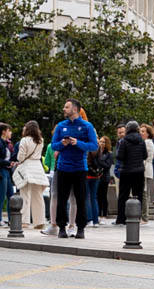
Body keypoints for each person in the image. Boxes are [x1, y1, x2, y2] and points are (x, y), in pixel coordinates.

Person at [49, 99, 98, 239]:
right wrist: (62, 143)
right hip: (63, 167)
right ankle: (61, 228)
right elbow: (53, 146)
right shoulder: (60, 126)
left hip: (80, 168)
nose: (64, 109)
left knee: (80, 199)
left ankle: (80, 228)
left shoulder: (87, 126)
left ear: (75, 109)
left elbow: (94, 146)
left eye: (67, 107)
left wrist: (78, 143)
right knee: (61, 199)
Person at [13, 120, 47, 230]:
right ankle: (39, 221)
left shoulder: (24, 140)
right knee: (38, 196)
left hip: (27, 168)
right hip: (38, 168)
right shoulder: (41, 140)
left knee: (25, 195)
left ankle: (25, 221)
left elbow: (20, 157)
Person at [113, 121, 147, 224]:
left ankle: (121, 219)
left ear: (127, 129)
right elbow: (145, 156)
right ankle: (136, 217)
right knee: (138, 195)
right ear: (137, 129)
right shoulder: (141, 140)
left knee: (123, 196)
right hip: (139, 172)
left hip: (126, 171)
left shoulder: (124, 141)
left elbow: (119, 156)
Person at [93, 136, 113, 223]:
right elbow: (95, 163)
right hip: (96, 176)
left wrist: (100, 162)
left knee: (103, 196)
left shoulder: (109, 154)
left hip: (105, 177)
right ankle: (97, 214)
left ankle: (104, 215)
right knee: (97, 196)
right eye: (100, 141)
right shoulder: (96, 153)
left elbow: (107, 166)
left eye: (103, 142)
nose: (101, 143)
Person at [140, 124, 154, 223]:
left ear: (148, 134)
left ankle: (145, 217)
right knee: (144, 193)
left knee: (144, 193)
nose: (141, 133)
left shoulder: (147, 142)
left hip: (145, 169)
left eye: (143, 131)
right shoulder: (146, 142)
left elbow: (145, 157)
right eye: (140, 131)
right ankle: (144, 216)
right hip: (145, 168)